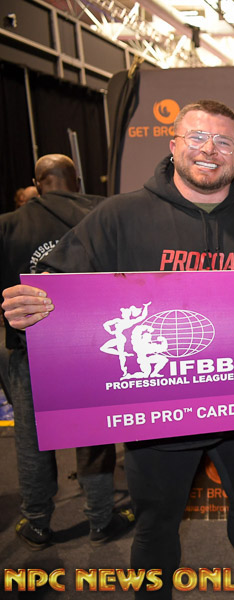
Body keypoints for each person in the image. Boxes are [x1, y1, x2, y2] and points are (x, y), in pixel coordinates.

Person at [1, 101, 234, 600]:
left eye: (224, 141)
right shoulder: (120, 215)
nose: (209, 150)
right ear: (174, 145)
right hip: (155, 408)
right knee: (156, 524)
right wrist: (31, 305)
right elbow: (55, 282)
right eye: (197, 137)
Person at [0, 154, 132, 550]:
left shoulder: (8, 225)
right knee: (93, 434)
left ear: (37, 183)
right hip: (88, 347)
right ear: (77, 181)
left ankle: (37, 522)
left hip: (28, 347)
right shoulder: (101, 214)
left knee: (31, 439)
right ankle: (101, 519)